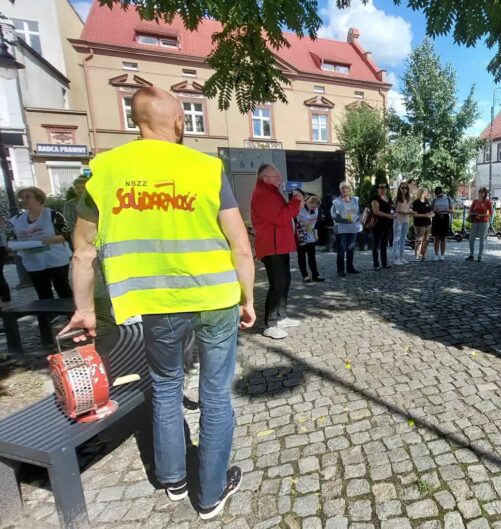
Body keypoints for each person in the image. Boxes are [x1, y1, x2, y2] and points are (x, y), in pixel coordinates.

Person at [61, 87, 256, 520]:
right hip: (215, 299)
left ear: (136, 121)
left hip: (156, 303)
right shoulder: (206, 167)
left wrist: (86, 310)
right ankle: (209, 495)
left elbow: (82, 252)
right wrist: (247, 297)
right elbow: (240, 244)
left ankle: (172, 480)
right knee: (214, 394)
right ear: (180, 123)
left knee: (166, 386)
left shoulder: (106, 170)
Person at [252, 163, 304, 339]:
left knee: (285, 281)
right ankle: (270, 323)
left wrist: (295, 205)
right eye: (277, 176)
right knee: (277, 284)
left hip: (278, 245)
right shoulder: (263, 195)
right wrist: (296, 202)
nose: (280, 179)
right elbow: (280, 217)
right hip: (271, 246)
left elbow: (284, 214)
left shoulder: (271, 192)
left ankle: (281, 317)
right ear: (266, 178)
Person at [9, 187, 73, 300]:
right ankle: (48, 317)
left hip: (55, 259)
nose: (24, 200)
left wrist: (45, 241)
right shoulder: (17, 219)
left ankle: (71, 315)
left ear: (39, 199)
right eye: (21, 198)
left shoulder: (53, 215)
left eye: (28, 197)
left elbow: (66, 235)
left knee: (62, 289)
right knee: (43, 293)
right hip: (32, 261)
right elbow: (14, 238)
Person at [331, 181, 362, 276]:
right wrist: (345, 220)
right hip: (342, 229)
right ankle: (340, 270)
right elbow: (334, 216)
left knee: (351, 249)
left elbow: (358, 212)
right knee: (341, 250)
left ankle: (350, 268)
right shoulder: (336, 202)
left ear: (349, 189)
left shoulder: (355, 200)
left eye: (346, 188)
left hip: (353, 229)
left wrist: (358, 217)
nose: (344, 190)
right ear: (340, 190)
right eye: (342, 188)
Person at [296, 195, 324, 282]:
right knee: (302, 256)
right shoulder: (300, 208)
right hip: (301, 235)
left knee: (312, 256)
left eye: (316, 207)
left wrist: (316, 233)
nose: (314, 208)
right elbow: (294, 221)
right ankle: (305, 275)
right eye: (313, 206)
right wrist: (303, 224)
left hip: (311, 235)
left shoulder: (315, 209)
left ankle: (315, 275)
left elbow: (316, 223)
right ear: (309, 203)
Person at [371, 183, 395, 270]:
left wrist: (394, 213)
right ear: (377, 189)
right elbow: (376, 211)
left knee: (384, 244)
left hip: (387, 225)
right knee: (376, 244)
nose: (383, 189)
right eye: (381, 187)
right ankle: (376, 264)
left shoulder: (388, 198)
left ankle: (384, 263)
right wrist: (388, 215)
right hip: (377, 224)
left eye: (385, 187)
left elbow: (392, 208)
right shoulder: (375, 199)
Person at [465, 187, 492, 262]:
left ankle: (480, 256)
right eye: (480, 192)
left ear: (485, 193)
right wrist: (472, 213)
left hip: (484, 222)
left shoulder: (487, 202)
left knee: (482, 240)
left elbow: (490, 213)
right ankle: (471, 255)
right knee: (471, 239)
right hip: (475, 222)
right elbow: (470, 210)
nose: (481, 193)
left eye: (483, 192)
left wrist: (483, 215)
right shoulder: (475, 201)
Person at [431, 187, 453, 261]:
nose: (438, 195)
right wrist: (435, 210)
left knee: (443, 237)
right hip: (436, 217)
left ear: (442, 192)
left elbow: (452, 210)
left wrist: (447, 210)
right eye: (437, 194)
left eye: (439, 194)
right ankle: (436, 255)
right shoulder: (434, 199)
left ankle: (442, 255)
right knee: (436, 237)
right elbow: (431, 209)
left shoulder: (448, 198)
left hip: (445, 217)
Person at [63, 176, 87, 243]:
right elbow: (69, 222)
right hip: (79, 237)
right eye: (78, 188)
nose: (80, 190)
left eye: (83, 188)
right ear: (74, 190)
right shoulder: (70, 204)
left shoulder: (95, 202)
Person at [392, 183, 412, 265]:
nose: (404, 189)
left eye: (406, 188)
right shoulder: (396, 198)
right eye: (402, 188)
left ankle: (401, 257)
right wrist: (404, 212)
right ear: (399, 188)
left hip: (406, 219)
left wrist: (409, 212)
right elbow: (394, 210)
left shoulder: (408, 198)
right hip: (398, 219)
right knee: (396, 238)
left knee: (403, 239)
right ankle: (396, 258)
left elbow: (408, 208)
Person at [412, 189, 433, 261]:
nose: (427, 194)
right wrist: (425, 215)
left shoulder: (427, 201)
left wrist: (432, 214)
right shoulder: (416, 202)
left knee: (426, 240)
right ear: (422, 193)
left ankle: (423, 255)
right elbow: (414, 214)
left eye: (427, 193)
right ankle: (417, 255)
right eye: (426, 192)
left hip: (428, 223)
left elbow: (430, 212)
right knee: (419, 239)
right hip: (419, 223)